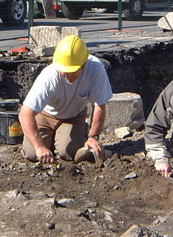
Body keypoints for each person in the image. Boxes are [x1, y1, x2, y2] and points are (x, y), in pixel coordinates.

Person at [19, 35, 113, 165]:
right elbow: (25, 113)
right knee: (32, 153)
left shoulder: (95, 69)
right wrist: (40, 146)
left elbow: (99, 105)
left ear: (84, 64)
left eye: (72, 71)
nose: (68, 76)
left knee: (70, 153)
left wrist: (93, 137)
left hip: (73, 117)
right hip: (46, 115)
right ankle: (48, 142)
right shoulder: (49, 76)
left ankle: (81, 133)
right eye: (65, 72)